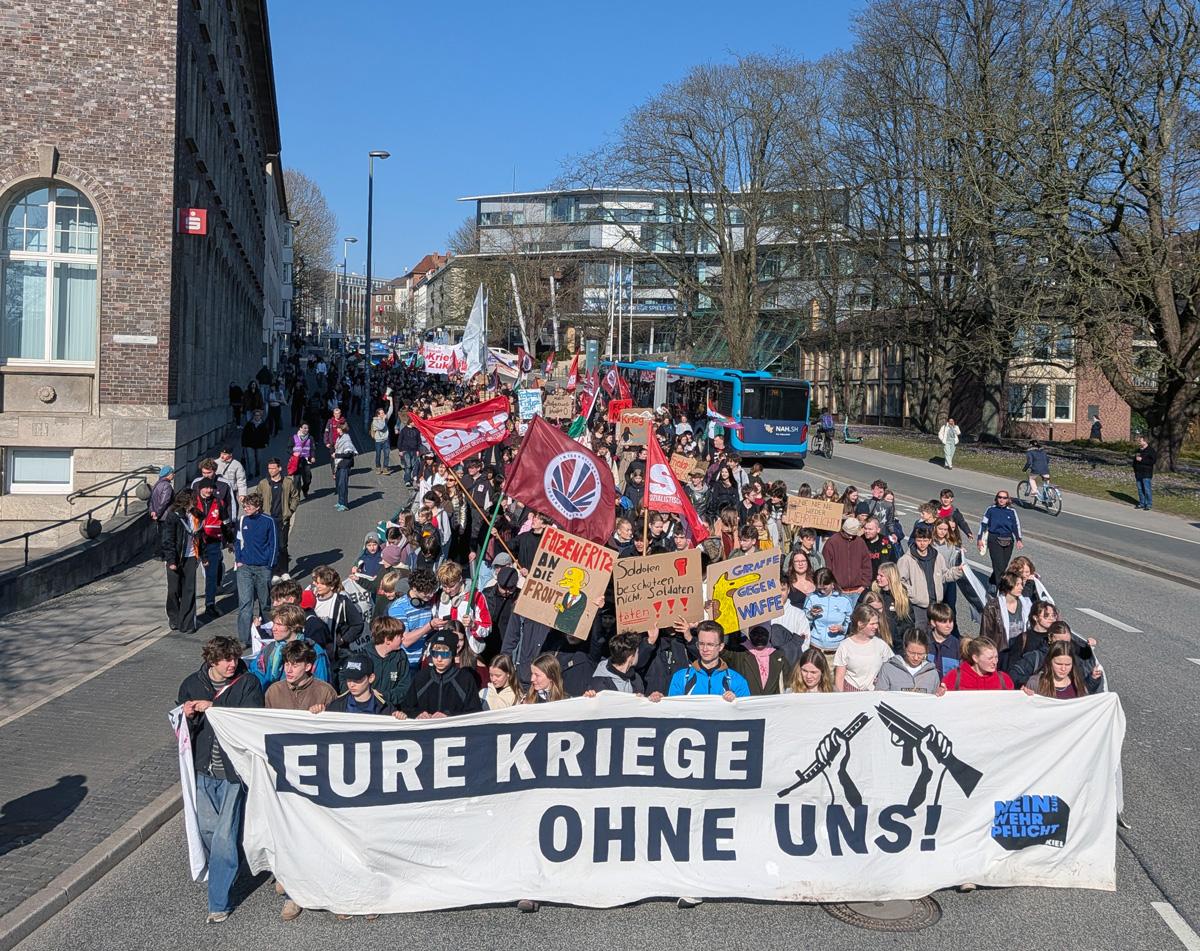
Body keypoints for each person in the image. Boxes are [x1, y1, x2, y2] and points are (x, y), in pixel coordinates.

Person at [176, 636, 264, 923]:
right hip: (204, 770)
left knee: (224, 835)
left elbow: (248, 720)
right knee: (208, 830)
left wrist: (213, 708)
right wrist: (186, 715)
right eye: (226, 659)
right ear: (211, 660)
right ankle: (234, 860)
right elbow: (180, 727)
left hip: (233, 772)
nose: (232, 664)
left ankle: (219, 902)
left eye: (235, 658)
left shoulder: (247, 683)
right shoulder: (191, 684)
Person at [897, 524, 963, 631]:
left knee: (935, 632)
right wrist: (912, 593)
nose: (922, 543)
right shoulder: (906, 560)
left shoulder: (937, 556)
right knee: (920, 632)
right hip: (918, 605)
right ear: (915, 540)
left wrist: (957, 571)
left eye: (925, 540)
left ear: (930, 541)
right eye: (919, 540)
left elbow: (944, 576)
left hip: (935, 603)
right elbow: (899, 581)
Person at [233, 492, 276, 648]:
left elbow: (274, 544)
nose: (246, 509)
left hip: (263, 567)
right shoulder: (242, 520)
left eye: (249, 506)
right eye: (244, 506)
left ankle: (266, 633)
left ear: (258, 507)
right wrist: (239, 559)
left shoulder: (268, 521)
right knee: (245, 603)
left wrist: (269, 564)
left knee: (265, 603)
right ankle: (245, 639)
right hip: (245, 567)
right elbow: (238, 541)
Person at [666, 621, 751, 699]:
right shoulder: (680, 677)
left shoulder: (737, 680)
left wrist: (736, 702)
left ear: (721, 647)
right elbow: (672, 708)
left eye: (710, 644)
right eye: (701, 644)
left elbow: (746, 709)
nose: (705, 649)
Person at [252, 603, 331, 687]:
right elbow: (255, 673)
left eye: (279, 625)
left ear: (293, 626)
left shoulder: (313, 652)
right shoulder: (270, 649)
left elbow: (321, 686)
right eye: (274, 624)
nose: (274, 628)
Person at [162, 489, 200, 632]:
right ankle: (174, 617)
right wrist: (171, 560)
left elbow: (201, 537)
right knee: (173, 590)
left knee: (189, 590)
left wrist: (204, 556)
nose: (195, 502)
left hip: (191, 556)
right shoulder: (174, 516)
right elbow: (168, 539)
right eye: (193, 499)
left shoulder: (197, 515)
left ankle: (187, 623)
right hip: (176, 558)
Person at [193, 478, 231, 622]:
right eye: (206, 488)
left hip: (213, 543)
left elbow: (225, 523)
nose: (209, 490)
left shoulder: (219, 503)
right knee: (190, 576)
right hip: (195, 544)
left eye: (211, 488)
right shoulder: (193, 502)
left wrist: (230, 540)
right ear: (200, 488)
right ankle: (189, 609)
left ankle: (210, 604)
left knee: (211, 576)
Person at [257, 459, 299, 582]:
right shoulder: (263, 483)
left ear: (279, 468)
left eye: (273, 468)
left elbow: (295, 497)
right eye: (269, 468)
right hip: (268, 520)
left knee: (282, 546)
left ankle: (284, 571)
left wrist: (290, 511)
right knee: (271, 546)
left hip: (282, 519)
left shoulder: (287, 482)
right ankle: (275, 571)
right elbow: (257, 498)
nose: (271, 471)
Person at [832, 606, 893, 691]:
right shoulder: (845, 646)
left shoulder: (881, 645)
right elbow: (839, 677)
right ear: (860, 624)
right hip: (850, 692)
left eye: (877, 623)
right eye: (872, 624)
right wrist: (840, 696)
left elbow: (892, 667)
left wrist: (882, 678)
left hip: (874, 692)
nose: (876, 626)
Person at [724, 624, 789, 695]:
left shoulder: (778, 656)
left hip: (773, 702)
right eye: (755, 633)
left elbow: (789, 684)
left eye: (763, 633)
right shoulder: (739, 653)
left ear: (769, 634)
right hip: (746, 701)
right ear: (749, 634)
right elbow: (721, 651)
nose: (760, 637)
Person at [978, 490, 1023, 584]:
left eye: (1004, 498)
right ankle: (1000, 588)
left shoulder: (1012, 511)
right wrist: (979, 538)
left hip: (1008, 540)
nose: (1002, 500)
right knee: (998, 565)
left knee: (1003, 565)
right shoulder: (991, 510)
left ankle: (992, 581)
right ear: (996, 498)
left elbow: (1016, 526)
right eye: (1000, 497)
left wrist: (1019, 539)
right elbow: (983, 524)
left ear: (1008, 500)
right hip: (994, 539)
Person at [875, 629, 941, 693]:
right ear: (904, 648)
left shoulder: (932, 673)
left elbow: (935, 698)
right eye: (911, 653)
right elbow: (880, 696)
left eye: (920, 654)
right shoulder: (888, 669)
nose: (916, 658)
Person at [806, 568, 855, 653]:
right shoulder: (812, 598)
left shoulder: (845, 600)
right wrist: (811, 614)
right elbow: (804, 623)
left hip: (837, 648)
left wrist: (842, 629)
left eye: (825, 588)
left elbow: (851, 624)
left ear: (832, 583)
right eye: (819, 588)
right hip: (815, 647)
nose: (822, 591)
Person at [821, 517, 873, 596]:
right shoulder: (832, 542)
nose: (851, 537)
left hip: (858, 591)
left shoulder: (860, 542)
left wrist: (864, 585)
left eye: (853, 534)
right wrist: (833, 585)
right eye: (849, 534)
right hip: (837, 591)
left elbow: (866, 565)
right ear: (843, 530)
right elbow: (827, 567)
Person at [941, 637, 1013, 692]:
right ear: (975, 658)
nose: (995, 662)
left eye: (996, 657)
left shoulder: (1004, 679)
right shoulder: (954, 677)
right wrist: (940, 692)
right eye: (990, 658)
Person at [1022, 640, 1088, 699]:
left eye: (1068, 664)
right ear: (1049, 662)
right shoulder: (1035, 683)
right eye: (1058, 664)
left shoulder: (1078, 684)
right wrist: (1023, 695)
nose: (1063, 669)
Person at [333, 422, 358, 512]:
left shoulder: (346, 439)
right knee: (339, 484)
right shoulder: (340, 438)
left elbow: (348, 454)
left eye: (338, 428)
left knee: (343, 484)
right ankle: (340, 502)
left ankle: (344, 504)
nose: (336, 429)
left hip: (345, 464)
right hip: (340, 464)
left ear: (341, 429)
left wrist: (336, 455)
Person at [240, 409, 270, 481]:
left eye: (258, 415)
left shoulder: (263, 424)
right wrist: (243, 444)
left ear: (260, 416)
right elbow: (244, 434)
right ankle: (251, 473)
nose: (257, 417)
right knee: (251, 459)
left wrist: (266, 442)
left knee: (258, 459)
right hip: (249, 444)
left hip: (260, 444)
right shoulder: (249, 424)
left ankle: (257, 469)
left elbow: (266, 435)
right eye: (256, 415)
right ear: (253, 416)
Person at [290, 422, 316, 498]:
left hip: (306, 461)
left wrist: (313, 456)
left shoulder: (310, 438)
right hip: (296, 461)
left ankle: (305, 489)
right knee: (297, 480)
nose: (306, 430)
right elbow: (288, 448)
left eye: (307, 428)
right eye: (304, 428)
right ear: (300, 428)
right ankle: (296, 496)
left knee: (308, 479)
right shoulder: (294, 437)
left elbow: (312, 448)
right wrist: (293, 453)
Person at [149, 465, 175, 537]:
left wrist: (152, 511)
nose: (174, 475)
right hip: (165, 516)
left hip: (158, 516)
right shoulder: (167, 485)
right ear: (169, 474)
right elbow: (164, 502)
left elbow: (151, 499)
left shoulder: (157, 484)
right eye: (173, 473)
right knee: (167, 538)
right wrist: (158, 514)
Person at [1132, 435, 1157, 510]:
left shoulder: (1151, 450)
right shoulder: (1138, 450)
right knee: (1140, 489)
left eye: (1140, 441)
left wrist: (1142, 460)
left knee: (1147, 489)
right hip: (1138, 473)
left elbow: (1153, 461)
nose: (1139, 442)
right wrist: (1134, 468)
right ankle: (1141, 503)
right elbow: (1135, 460)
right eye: (1139, 441)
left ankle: (1148, 504)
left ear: (1145, 441)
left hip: (1146, 473)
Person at [371, 401, 393, 473]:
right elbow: (381, 427)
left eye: (383, 412)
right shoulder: (375, 421)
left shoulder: (385, 418)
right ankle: (378, 467)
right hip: (378, 441)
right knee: (378, 454)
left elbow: (390, 411)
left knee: (387, 454)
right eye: (382, 413)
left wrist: (391, 401)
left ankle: (385, 468)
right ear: (378, 414)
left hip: (386, 440)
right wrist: (383, 420)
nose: (384, 414)